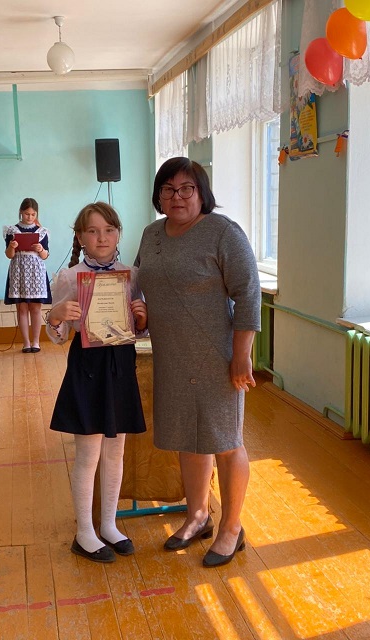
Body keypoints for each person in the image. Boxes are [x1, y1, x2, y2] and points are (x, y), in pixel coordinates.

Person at [135, 157, 261, 568]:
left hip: (217, 358)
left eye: (186, 188)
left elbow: (248, 294)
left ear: (201, 193)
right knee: (188, 439)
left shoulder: (223, 232)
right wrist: (139, 313)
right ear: (158, 195)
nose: (177, 196)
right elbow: (141, 285)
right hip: (170, 355)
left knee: (225, 440)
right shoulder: (151, 234)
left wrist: (241, 355)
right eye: (168, 189)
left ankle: (231, 528)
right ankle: (197, 516)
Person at [46, 202, 147, 563]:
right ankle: (84, 532)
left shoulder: (131, 275)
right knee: (88, 453)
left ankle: (109, 524)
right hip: (87, 366)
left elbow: (138, 329)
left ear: (118, 234)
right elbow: (57, 336)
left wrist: (141, 319)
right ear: (80, 237)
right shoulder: (68, 277)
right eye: (92, 231)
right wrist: (55, 315)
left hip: (121, 364)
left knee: (116, 450)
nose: (101, 237)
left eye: (108, 230)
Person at [4, 198, 51, 353]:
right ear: (21, 212)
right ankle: (26, 342)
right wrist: (12, 247)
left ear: (36, 214)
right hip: (19, 271)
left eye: (32, 214)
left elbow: (45, 255)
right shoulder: (12, 231)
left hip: (36, 272)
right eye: (26, 214)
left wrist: (40, 249)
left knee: (36, 309)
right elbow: (9, 255)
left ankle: (36, 341)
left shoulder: (41, 232)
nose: (29, 217)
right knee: (22, 308)